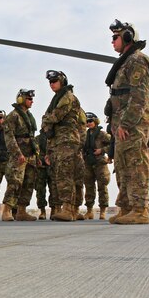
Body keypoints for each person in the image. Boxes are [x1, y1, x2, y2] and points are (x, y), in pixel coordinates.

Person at [105, 20, 149, 225]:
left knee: (136, 162)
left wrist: (126, 123)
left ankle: (140, 209)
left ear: (127, 37)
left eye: (115, 37)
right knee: (123, 164)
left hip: (133, 121)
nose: (112, 42)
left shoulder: (137, 60)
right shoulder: (126, 61)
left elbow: (139, 95)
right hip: (122, 120)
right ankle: (127, 206)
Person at [41, 71, 83, 222]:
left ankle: (68, 209)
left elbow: (54, 117)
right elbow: (49, 124)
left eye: (54, 80)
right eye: (50, 81)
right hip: (60, 141)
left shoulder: (67, 97)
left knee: (65, 175)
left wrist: (45, 119)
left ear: (62, 81)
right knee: (66, 175)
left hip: (67, 141)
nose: (51, 84)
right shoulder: (56, 98)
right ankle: (72, 209)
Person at [3, 89, 39, 221]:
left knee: (29, 183)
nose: (32, 101)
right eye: (29, 99)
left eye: (32, 99)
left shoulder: (29, 117)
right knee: (15, 182)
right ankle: (6, 210)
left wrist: (37, 155)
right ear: (21, 99)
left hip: (30, 155)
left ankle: (21, 211)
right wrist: (18, 153)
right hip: (19, 155)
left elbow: (32, 138)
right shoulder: (13, 116)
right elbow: (9, 137)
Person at [82, 112, 111, 220]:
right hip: (88, 163)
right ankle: (89, 211)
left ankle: (102, 211)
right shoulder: (84, 135)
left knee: (102, 187)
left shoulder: (102, 134)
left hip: (100, 163)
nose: (88, 123)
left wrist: (102, 150)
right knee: (89, 187)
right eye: (86, 122)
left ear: (95, 121)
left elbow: (112, 144)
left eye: (90, 121)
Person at [34, 131, 55, 220]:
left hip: (52, 166)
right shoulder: (37, 139)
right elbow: (34, 151)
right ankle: (42, 211)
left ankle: (54, 210)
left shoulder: (55, 138)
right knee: (40, 189)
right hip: (40, 167)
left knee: (54, 189)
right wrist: (39, 159)